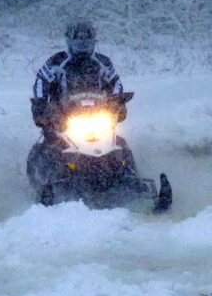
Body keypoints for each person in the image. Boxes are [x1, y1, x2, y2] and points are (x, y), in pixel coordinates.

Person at [27, 20, 136, 197]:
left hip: (98, 113)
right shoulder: (58, 61)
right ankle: (45, 184)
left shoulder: (102, 62)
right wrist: (40, 104)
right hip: (63, 115)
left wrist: (117, 101)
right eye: (79, 43)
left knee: (120, 144)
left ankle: (133, 179)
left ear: (93, 42)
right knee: (51, 145)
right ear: (69, 42)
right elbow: (41, 80)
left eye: (87, 43)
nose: (83, 47)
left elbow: (116, 83)